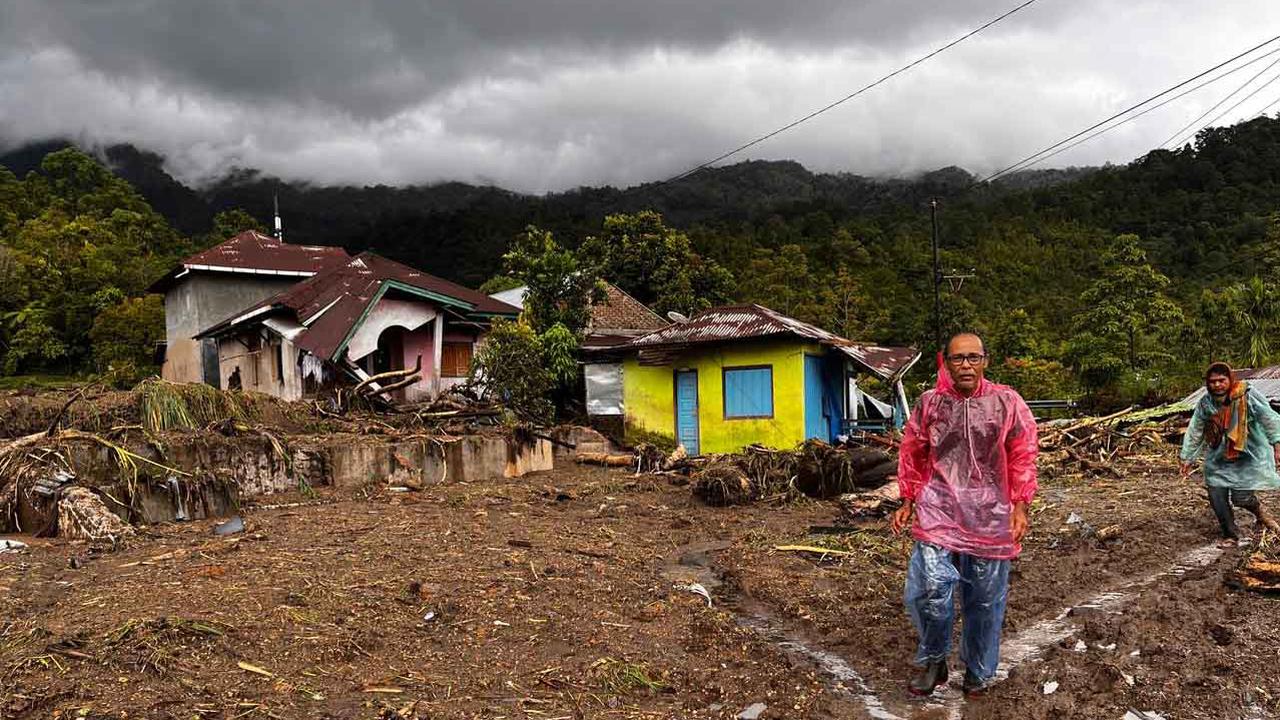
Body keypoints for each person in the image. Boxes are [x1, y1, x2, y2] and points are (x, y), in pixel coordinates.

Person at [890, 332, 1038, 697]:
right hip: (939, 506)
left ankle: (978, 668)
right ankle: (935, 660)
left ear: (985, 360)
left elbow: (1023, 452)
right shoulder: (930, 404)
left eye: (973, 357)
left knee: (984, 597)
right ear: (946, 362)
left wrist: (1020, 505)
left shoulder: (1006, 402)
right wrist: (908, 499)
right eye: (958, 358)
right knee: (930, 588)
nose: (966, 365)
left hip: (990, 511)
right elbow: (914, 450)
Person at [1179, 362, 1280, 547]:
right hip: (1219, 457)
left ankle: (1259, 511)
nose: (1217, 385)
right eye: (1212, 382)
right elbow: (1196, 430)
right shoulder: (1205, 403)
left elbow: (1269, 417)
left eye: (1221, 380)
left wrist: (1277, 443)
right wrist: (1188, 458)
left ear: (1230, 379)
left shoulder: (1246, 395)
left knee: (1241, 498)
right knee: (1216, 493)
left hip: (1248, 455)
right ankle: (1230, 535)